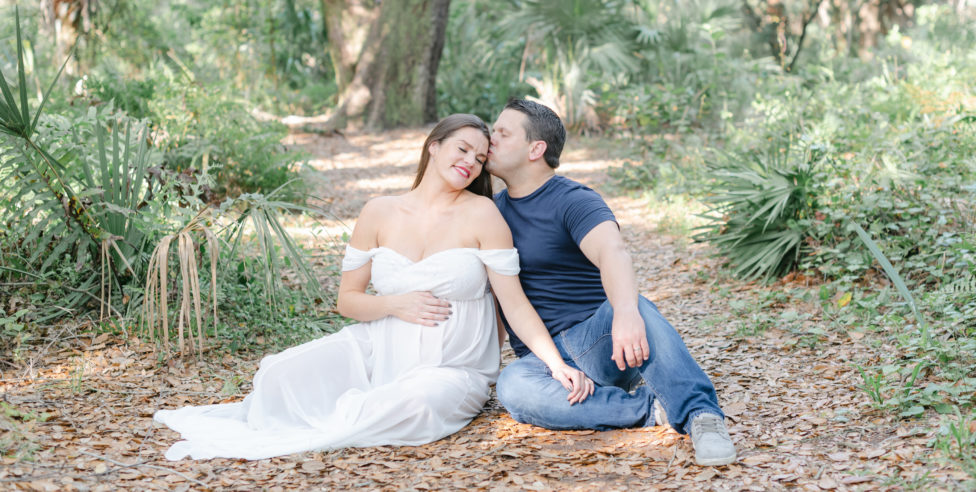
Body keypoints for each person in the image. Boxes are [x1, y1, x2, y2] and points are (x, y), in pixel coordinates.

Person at [154, 114, 593, 461]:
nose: (471, 162)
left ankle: (361, 407)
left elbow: (513, 304)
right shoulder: (379, 211)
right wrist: (395, 305)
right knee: (280, 375)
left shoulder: (483, 214)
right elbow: (348, 301)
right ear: (433, 146)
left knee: (416, 403)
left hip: (452, 368)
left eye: (480, 158)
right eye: (462, 148)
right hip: (374, 348)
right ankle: (350, 394)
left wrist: (555, 365)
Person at [486, 100, 737, 467]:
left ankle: (702, 415)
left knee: (637, 306)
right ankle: (651, 409)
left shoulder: (573, 200)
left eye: (502, 133)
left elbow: (613, 252)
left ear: (535, 149)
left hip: (601, 340)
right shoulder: (490, 211)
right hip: (545, 361)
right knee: (513, 388)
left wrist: (624, 314)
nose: (490, 139)